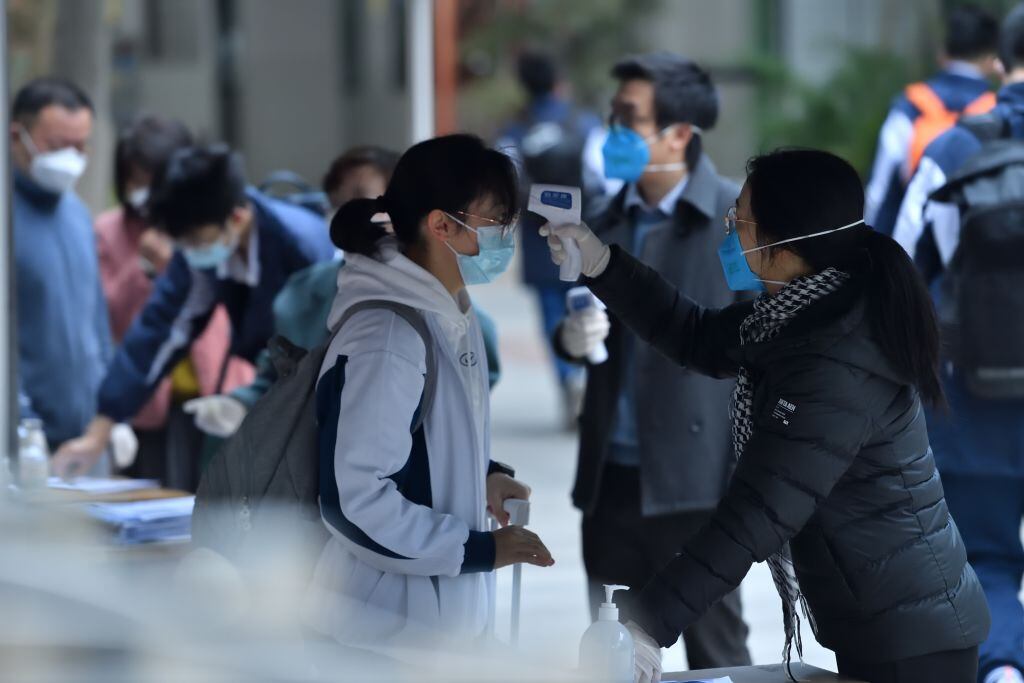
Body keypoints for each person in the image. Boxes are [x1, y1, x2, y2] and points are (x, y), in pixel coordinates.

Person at [543, 148, 990, 683]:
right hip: (883, 618)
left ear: (784, 245)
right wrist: (603, 264)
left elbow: (757, 511)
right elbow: (694, 334)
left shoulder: (835, 358)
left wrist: (648, 623)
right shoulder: (799, 312)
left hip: (914, 640)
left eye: (741, 220)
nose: (729, 232)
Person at [304, 134, 553, 650]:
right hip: (383, 632)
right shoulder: (388, 338)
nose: (506, 238)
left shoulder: (447, 311)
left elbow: (416, 443)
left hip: (429, 625)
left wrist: (483, 477)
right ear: (442, 225)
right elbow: (356, 499)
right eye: (494, 223)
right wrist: (480, 551)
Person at [553, 52, 749, 669]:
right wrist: (571, 340)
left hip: (698, 480)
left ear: (680, 134)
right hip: (610, 472)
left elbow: (763, 333)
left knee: (718, 656)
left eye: (628, 119)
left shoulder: (735, 221)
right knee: (615, 656)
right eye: (612, 116)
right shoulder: (601, 222)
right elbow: (581, 324)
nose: (611, 133)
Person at [52, 143, 335, 486]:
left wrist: (248, 401)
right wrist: (100, 431)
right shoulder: (200, 248)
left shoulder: (304, 248)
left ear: (237, 217)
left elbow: (312, 360)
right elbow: (158, 332)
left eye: (195, 241)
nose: (188, 253)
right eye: (181, 242)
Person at [182, 146, 504, 441]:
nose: (347, 210)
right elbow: (278, 376)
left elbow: (474, 378)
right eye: (336, 199)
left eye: (364, 197)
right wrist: (240, 404)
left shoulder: (445, 303)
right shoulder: (303, 292)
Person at [889, 6, 1024, 683]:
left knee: (987, 558)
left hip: (975, 398)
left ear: (999, 63)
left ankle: (1002, 670)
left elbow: (900, 275)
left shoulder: (951, 149)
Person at [93, 115, 253, 486]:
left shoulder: (220, 224)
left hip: (219, 388)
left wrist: (177, 260)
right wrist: (145, 268)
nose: (146, 191)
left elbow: (225, 314)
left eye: (156, 178)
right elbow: (120, 317)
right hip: (152, 403)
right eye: (137, 180)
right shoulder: (108, 231)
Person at [496, 51, 603, 428]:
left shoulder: (515, 128)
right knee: (591, 309)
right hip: (586, 232)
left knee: (550, 313)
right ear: (560, 84)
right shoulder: (584, 122)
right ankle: (594, 377)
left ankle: (567, 378)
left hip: (540, 235)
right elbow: (599, 178)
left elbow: (505, 180)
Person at [11, 77, 114, 459]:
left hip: (87, 443)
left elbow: (97, 324)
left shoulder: (76, 214)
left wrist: (110, 412)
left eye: (79, 145)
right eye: (57, 146)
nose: (70, 158)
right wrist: (23, 427)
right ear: (16, 135)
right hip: (25, 444)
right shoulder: (7, 221)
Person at [865, 5, 999, 237]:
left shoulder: (911, 104)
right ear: (992, 60)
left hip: (913, 243)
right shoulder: (997, 110)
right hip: (978, 242)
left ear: (942, 53)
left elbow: (880, 188)